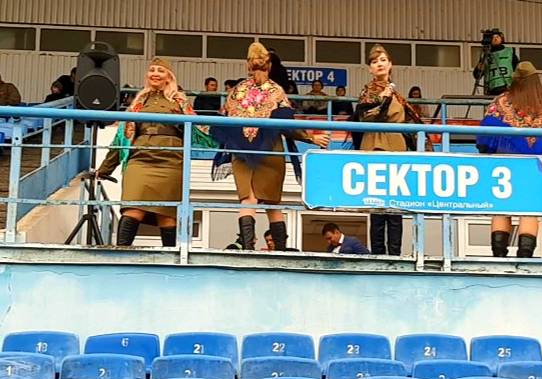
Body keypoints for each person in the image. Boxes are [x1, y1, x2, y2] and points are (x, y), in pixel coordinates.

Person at [210, 42, 329, 251]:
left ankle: (247, 249)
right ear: (270, 66)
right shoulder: (277, 91)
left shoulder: (237, 91)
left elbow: (223, 121)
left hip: (242, 152)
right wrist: (311, 138)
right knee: (272, 204)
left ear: (248, 66)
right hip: (270, 151)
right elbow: (287, 125)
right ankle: (280, 251)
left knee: (248, 200)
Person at [96, 58, 216, 247]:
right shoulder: (139, 101)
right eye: (152, 70)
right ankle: (120, 255)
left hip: (171, 161)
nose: (155, 74)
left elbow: (198, 129)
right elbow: (121, 139)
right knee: (132, 209)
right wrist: (104, 169)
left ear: (169, 76)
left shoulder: (179, 100)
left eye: (160, 70)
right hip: (140, 159)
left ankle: (170, 260)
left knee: (166, 215)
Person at [476, 62, 542, 258]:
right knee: (529, 211)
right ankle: (525, 257)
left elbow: (485, 139)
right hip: (536, 168)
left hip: (505, 166)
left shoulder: (500, 102)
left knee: (501, 210)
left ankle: (499, 257)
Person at [354, 44, 423, 256]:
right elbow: (366, 116)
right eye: (374, 61)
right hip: (375, 146)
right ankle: (377, 253)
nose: (379, 64)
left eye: (383, 60)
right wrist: (382, 97)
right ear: (370, 68)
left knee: (395, 205)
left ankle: (395, 253)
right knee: (377, 205)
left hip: (396, 148)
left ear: (390, 64)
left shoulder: (398, 95)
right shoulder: (368, 91)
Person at [472, 29, 519, 96]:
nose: (495, 39)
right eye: (493, 37)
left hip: (507, 87)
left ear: (501, 38)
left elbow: (518, 68)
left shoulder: (509, 51)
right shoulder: (486, 55)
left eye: (497, 37)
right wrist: (481, 65)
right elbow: (477, 75)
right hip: (492, 90)